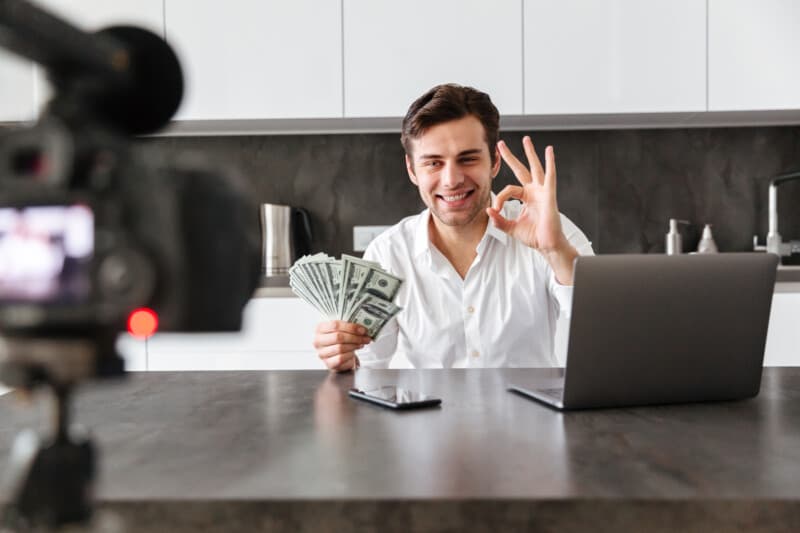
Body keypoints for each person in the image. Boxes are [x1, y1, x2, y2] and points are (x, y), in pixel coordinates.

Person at [313, 84, 593, 371]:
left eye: (468, 159)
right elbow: (367, 367)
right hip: (431, 414)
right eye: (433, 163)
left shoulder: (551, 233)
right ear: (412, 170)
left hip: (534, 415)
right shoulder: (387, 254)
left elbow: (602, 332)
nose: (451, 180)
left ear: (494, 162)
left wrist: (555, 251)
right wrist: (343, 356)